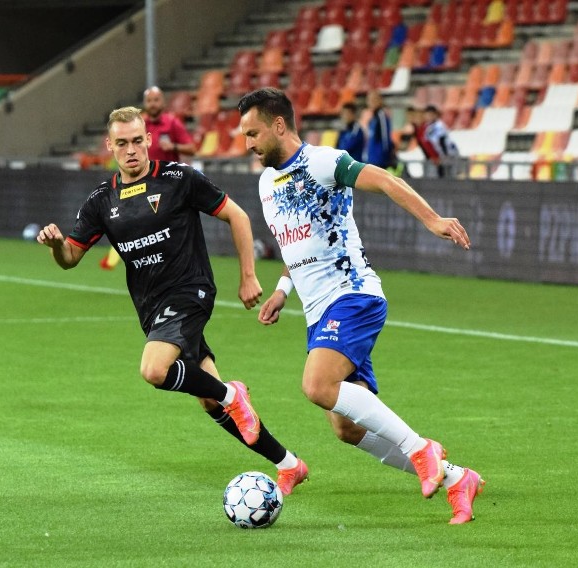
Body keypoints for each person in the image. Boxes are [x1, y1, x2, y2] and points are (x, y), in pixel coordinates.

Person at [237, 87, 484, 524]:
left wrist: (433, 220)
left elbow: (387, 180)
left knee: (316, 386)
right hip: (318, 313)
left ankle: (421, 449)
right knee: (347, 428)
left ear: (279, 125)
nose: (247, 144)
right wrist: (282, 289)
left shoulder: (324, 162)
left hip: (352, 295)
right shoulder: (265, 182)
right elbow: (298, 244)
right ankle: (456, 478)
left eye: (253, 133)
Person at [37, 106, 309, 494]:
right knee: (208, 401)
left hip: (190, 291)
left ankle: (234, 393)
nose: (131, 150)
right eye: (122, 143)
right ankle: (288, 463)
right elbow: (70, 260)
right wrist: (57, 245)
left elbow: (238, 216)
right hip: (151, 309)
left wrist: (248, 276)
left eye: (137, 140)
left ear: (149, 139)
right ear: (109, 146)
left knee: (154, 370)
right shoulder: (101, 200)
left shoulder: (178, 179)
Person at [100, 87, 197, 270]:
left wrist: (173, 146)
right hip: (141, 183)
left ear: (163, 102)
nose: (153, 104)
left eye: (156, 100)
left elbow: (192, 148)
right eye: (150, 100)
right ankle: (122, 257)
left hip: (169, 185)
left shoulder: (172, 123)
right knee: (133, 222)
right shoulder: (138, 125)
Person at [423, 104, 461, 179]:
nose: (429, 117)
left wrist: (444, 156)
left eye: (431, 115)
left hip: (448, 154)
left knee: (450, 176)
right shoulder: (428, 127)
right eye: (427, 115)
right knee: (440, 174)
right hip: (439, 156)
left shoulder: (438, 125)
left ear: (435, 115)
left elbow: (442, 140)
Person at [364, 90, 397, 172]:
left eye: (374, 99)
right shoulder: (372, 119)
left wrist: (385, 157)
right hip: (371, 160)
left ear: (380, 100)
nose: (371, 102)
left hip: (380, 161)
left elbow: (385, 138)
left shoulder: (381, 116)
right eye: (369, 100)